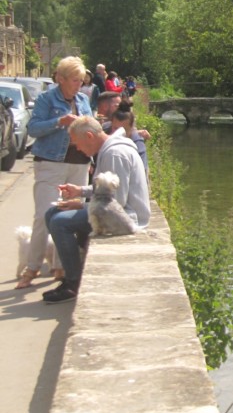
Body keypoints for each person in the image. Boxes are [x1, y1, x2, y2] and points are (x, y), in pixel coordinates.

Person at [43, 116, 150, 304]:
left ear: (90, 136)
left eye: (77, 143)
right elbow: (106, 191)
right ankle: (73, 272)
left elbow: (117, 201)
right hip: (114, 210)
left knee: (60, 222)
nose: (77, 149)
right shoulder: (107, 150)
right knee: (51, 214)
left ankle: (73, 283)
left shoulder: (114, 155)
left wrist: (80, 204)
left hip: (127, 217)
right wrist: (80, 191)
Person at [16, 56, 93, 289]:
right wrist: (60, 121)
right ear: (60, 78)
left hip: (79, 162)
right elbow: (34, 128)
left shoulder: (83, 99)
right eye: (74, 80)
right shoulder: (46, 99)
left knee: (67, 216)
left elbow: (90, 128)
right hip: (51, 162)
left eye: (81, 80)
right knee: (44, 214)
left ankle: (60, 266)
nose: (78, 85)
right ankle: (32, 266)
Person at [110, 102, 148, 175]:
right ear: (111, 123)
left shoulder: (137, 142)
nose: (119, 133)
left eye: (124, 130)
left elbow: (142, 170)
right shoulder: (106, 130)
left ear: (132, 128)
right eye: (115, 128)